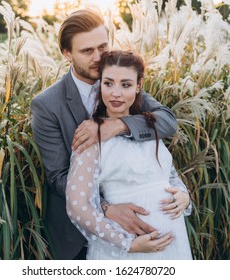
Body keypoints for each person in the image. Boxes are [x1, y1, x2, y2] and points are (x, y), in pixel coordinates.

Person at [30, 9, 190, 260]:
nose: (98, 57)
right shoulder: (47, 104)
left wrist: (116, 126)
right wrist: (106, 208)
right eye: (86, 51)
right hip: (79, 236)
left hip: (159, 235)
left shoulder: (122, 82)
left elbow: (167, 122)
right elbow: (57, 176)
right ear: (66, 53)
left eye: (102, 46)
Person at [66, 50, 192, 259]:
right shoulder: (91, 135)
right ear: (100, 85)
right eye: (108, 83)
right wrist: (128, 244)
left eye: (126, 85)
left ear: (138, 86)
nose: (116, 93)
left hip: (173, 244)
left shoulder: (149, 126)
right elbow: (78, 206)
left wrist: (183, 195)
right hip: (125, 250)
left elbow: (168, 175)